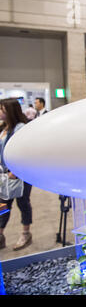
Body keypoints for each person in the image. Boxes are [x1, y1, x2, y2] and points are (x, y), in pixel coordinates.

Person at [0, 98, 33, 251]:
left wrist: (15, 171)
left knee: (22, 202)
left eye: (2, 109)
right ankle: (1, 234)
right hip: (5, 174)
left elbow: (25, 151)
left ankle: (26, 233)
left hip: (19, 174)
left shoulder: (20, 128)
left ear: (9, 111)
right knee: (4, 204)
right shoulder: (4, 127)